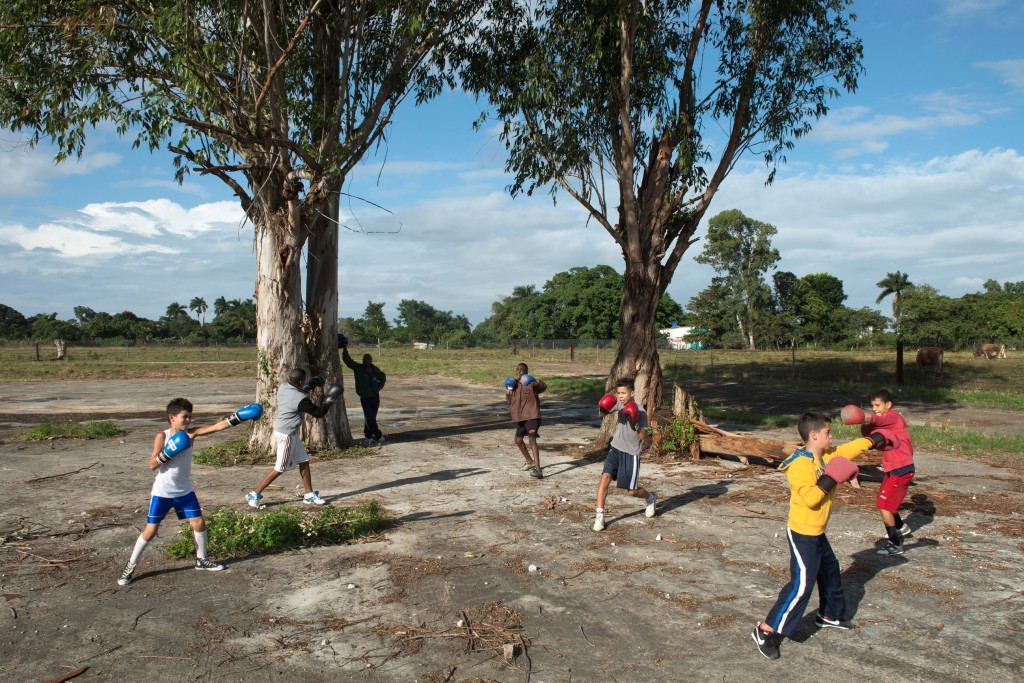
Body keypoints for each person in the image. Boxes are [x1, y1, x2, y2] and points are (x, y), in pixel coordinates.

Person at [752, 412, 891, 660]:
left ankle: (830, 615)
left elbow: (849, 449)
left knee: (829, 571)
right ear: (814, 436)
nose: (831, 436)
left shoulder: (826, 456)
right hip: (802, 533)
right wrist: (832, 478)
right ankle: (767, 631)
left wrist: (876, 438)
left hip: (817, 532)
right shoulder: (800, 465)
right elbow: (812, 499)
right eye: (828, 433)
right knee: (801, 585)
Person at [117, 397, 262, 586]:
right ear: (172, 417)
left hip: (184, 491)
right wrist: (169, 452)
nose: (188, 421)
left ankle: (201, 560)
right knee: (151, 531)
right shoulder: (162, 436)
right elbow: (152, 464)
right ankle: (130, 565)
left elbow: (217, 427)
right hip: (163, 492)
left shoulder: (191, 434)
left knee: (199, 523)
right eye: (184, 417)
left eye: (190, 417)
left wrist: (239, 417)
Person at [245, 369, 343, 508]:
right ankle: (255, 493)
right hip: (286, 435)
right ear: (301, 381)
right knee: (280, 468)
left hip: (287, 432)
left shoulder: (284, 386)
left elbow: (301, 390)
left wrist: (313, 383)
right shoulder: (300, 399)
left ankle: (309, 495)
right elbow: (319, 413)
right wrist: (330, 399)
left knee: (304, 461)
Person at [592, 378, 656, 531]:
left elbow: (642, 437)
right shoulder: (619, 404)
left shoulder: (640, 412)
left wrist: (634, 422)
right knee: (605, 477)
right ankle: (599, 516)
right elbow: (602, 413)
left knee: (632, 492)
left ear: (632, 393)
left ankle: (651, 497)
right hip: (615, 448)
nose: (620, 396)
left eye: (624, 393)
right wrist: (603, 407)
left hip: (631, 453)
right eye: (619, 393)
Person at [859, 389, 916, 556]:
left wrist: (863, 417)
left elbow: (875, 419)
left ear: (888, 405)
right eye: (872, 406)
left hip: (901, 468)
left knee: (884, 505)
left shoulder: (893, 417)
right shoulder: (883, 423)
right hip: (895, 468)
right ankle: (900, 527)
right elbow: (866, 432)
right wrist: (866, 424)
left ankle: (895, 544)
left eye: (878, 405)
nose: (875, 409)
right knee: (886, 500)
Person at [341, 337, 387, 446]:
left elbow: (383, 377)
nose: (366, 361)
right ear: (362, 360)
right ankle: (378, 435)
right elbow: (348, 362)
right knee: (369, 417)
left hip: (375, 397)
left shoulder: (375, 370)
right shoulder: (358, 369)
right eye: (365, 359)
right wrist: (345, 350)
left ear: (371, 360)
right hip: (365, 398)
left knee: (371, 418)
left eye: (368, 359)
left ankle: (368, 436)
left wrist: (379, 387)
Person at [506, 362, 547, 478]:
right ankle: (529, 461)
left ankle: (538, 469)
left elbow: (543, 387)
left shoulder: (530, 383)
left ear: (525, 372)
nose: (519, 373)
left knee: (532, 441)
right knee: (518, 440)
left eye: (521, 371)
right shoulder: (513, 385)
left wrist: (535, 381)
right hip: (521, 417)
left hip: (532, 416)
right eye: (517, 371)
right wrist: (507, 392)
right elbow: (509, 403)